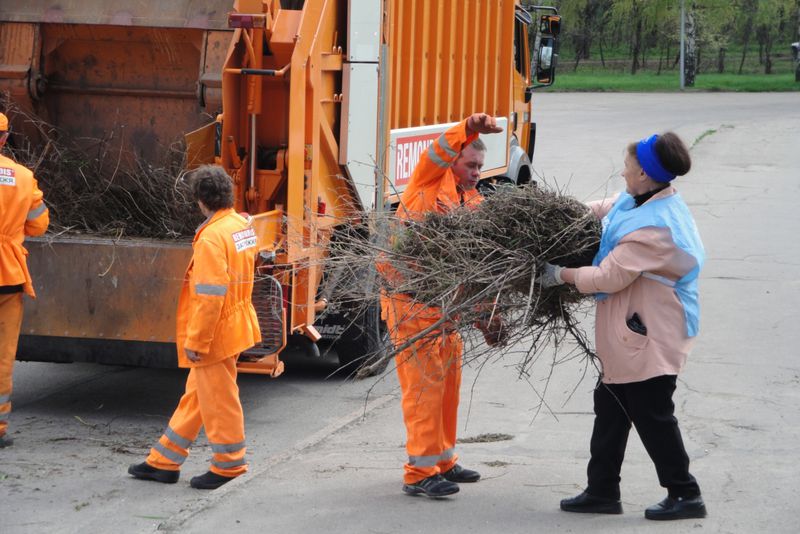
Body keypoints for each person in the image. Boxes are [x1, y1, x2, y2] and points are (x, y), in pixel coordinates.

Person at [539, 132, 707, 520]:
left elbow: (607, 278)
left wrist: (558, 274)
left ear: (646, 174)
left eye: (629, 167)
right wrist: (563, 216)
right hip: (634, 330)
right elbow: (609, 207)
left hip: (652, 332)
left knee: (653, 414)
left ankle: (685, 494)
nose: (623, 171)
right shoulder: (642, 198)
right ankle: (601, 491)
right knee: (611, 407)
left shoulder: (655, 230)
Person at [380, 113, 505, 498]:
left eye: (480, 168)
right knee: (424, 390)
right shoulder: (427, 183)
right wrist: (468, 127)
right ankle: (419, 473)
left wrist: (488, 317)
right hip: (411, 304)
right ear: (453, 162)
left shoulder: (474, 203)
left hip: (446, 311)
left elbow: (476, 271)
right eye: (470, 165)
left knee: (448, 386)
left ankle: (443, 460)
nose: (476, 173)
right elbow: (438, 150)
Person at [128, 165, 261, 490]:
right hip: (236, 322)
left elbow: (209, 297)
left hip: (215, 332)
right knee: (198, 396)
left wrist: (196, 341)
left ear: (201, 200)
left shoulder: (211, 239)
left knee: (219, 398)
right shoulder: (239, 225)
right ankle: (164, 461)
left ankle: (229, 464)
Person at [0, 112, 50, 449]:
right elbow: (39, 224)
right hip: (8, 274)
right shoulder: (22, 177)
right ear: (4, 139)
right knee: (3, 355)